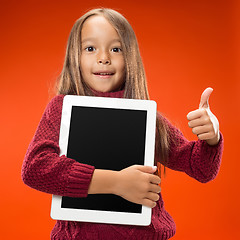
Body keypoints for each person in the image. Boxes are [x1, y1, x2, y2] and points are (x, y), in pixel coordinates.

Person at [21, 8, 223, 239]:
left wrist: (211, 138)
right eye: (90, 48)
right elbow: (35, 169)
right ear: (74, 58)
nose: (103, 57)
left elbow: (200, 168)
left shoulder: (148, 118)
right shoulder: (60, 109)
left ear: (130, 58)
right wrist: (116, 182)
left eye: (116, 49)